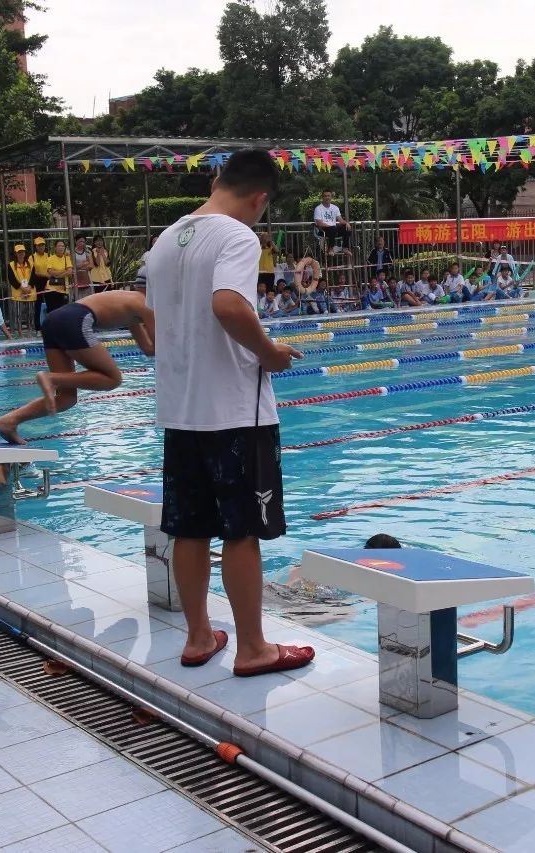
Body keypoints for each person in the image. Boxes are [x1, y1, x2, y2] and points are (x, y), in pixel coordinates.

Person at [147, 148, 314, 677]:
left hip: (180, 409)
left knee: (189, 528)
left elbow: (154, 325)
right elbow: (228, 304)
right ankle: (253, 648)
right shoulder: (238, 236)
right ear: (260, 197)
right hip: (235, 411)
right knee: (241, 531)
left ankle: (199, 637)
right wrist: (269, 353)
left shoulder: (166, 238)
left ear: (218, 178)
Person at [0, 290, 155, 444]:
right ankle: (50, 378)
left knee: (67, 399)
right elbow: (160, 343)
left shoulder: (134, 303)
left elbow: (149, 349)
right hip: (75, 320)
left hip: (54, 320)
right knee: (113, 379)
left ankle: (8, 421)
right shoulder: (146, 304)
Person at [263, 533, 400, 626]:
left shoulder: (341, 560)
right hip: (304, 600)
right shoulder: (376, 578)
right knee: (348, 614)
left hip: (279, 589)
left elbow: (296, 570)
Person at [7, 244, 38, 336]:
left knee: (31, 313)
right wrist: (22, 288)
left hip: (30, 291)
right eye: (19, 252)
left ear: (25, 253)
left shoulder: (31, 264)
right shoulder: (11, 265)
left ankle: (30, 332)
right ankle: (20, 333)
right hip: (18, 292)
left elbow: (33, 277)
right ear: (16, 253)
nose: (21, 254)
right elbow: (11, 279)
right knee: (18, 314)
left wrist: (29, 287)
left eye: (22, 252)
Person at [313, 190, 352, 255]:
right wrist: (330, 226)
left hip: (333, 229)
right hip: (323, 230)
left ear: (331, 197)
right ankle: (330, 249)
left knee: (347, 228)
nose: (327, 197)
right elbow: (319, 223)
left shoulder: (335, 208)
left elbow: (340, 220)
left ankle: (345, 248)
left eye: (328, 196)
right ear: (322, 197)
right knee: (333, 229)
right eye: (325, 196)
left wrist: (346, 223)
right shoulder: (318, 208)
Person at [43, 238, 74, 316]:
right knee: (52, 313)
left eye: (63, 246)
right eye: (59, 246)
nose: (61, 248)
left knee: (63, 313)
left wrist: (57, 275)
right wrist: (64, 271)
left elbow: (70, 272)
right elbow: (51, 272)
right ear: (55, 247)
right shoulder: (50, 258)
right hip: (51, 289)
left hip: (64, 289)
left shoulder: (67, 258)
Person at [72, 235, 93, 301]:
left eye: (83, 242)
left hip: (86, 279)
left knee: (87, 300)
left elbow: (91, 265)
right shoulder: (71, 252)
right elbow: (72, 266)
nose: (82, 243)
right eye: (80, 241)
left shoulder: (87, 252)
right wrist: (84, 264)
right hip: (75, 279)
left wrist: (79, 266)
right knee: (77, 300)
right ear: (76, 241)